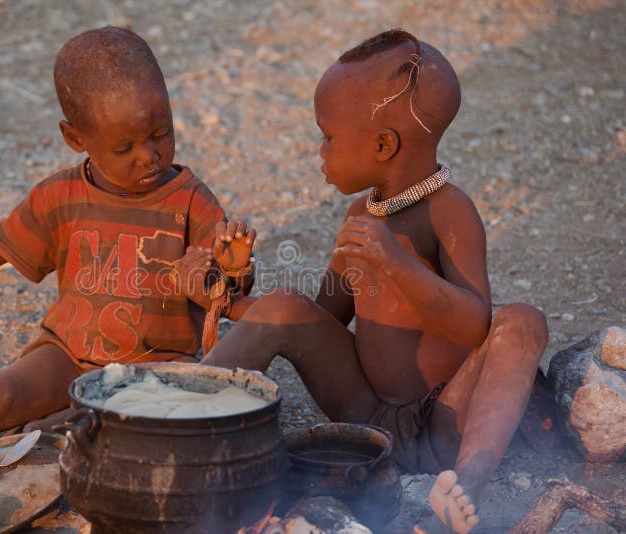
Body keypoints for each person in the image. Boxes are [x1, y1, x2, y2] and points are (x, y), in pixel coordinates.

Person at [0, 26, 254, 472]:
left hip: (155, 371)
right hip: (67, 355)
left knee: (79, 431)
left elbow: (218, 292)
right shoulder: (60, 196)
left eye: (160, 133)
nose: (149, 155)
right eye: (124, 147)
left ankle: (50, 428)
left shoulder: (191, 200)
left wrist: (230, 269)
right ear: (76, 138)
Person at [201, 29, 548, 534]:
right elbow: (322, 317)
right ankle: (174, 414)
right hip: (364, 414)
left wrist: (395, 263)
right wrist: (229, 294)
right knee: (283, 304)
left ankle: (467, 483)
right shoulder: (361, 214)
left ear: (384, 145)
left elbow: (477, 325)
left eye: (329, 137)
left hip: (443, 423)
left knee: (523, 321)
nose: (320, 150)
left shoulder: (448, 211)